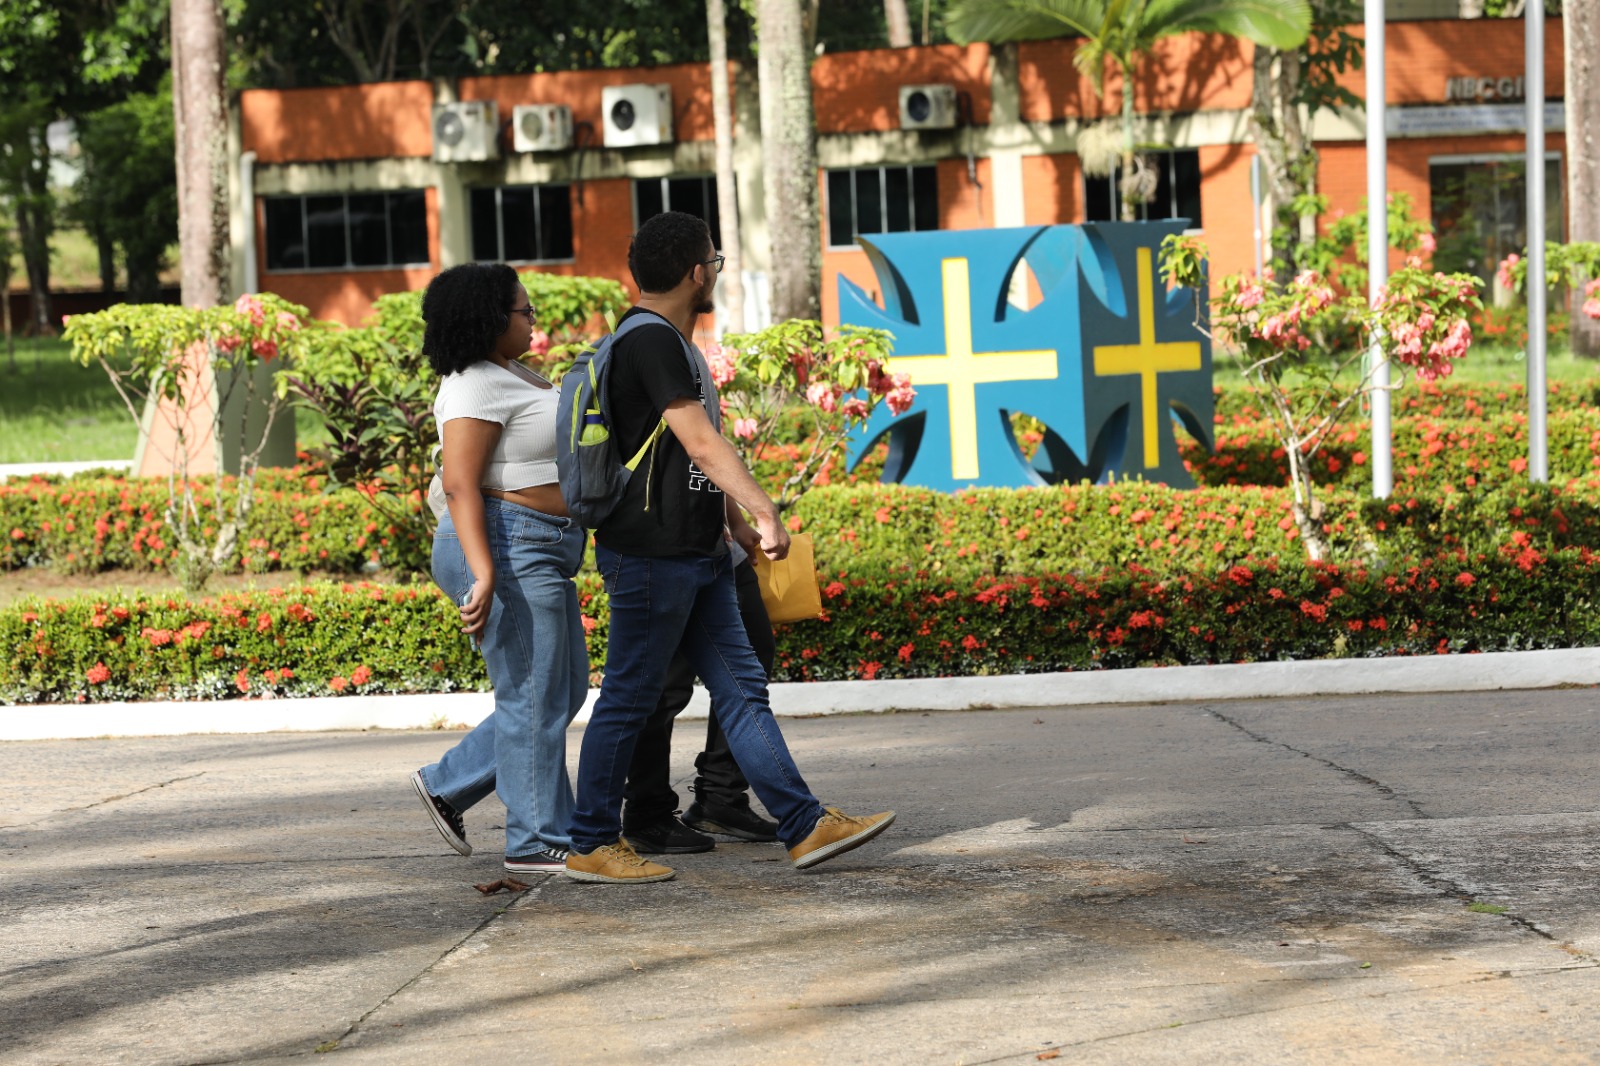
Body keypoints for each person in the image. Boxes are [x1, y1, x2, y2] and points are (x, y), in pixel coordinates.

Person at [565, 210, 895, 884]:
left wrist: (734, 525)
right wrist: (765, 509)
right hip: (651, 554)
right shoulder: (649, 340)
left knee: (743, 690)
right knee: (629, 697)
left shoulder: (666, 339)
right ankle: (592, 841)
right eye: (713, 262)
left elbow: (680, 458)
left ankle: (803, 824)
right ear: (697, 272)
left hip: (699, 551)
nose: (713, 272)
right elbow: (699, 441)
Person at [409, 262, 588, 875]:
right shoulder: (472, 385)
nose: (533, 319)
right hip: (504, 546)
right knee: (532, 693)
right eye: (523, 310)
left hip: (537, 544)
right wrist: (483, 574)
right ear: (489, 318)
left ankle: (449, 782)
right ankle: (536, 837)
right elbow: (461, 484)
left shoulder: (512, 372)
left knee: (561, 689)